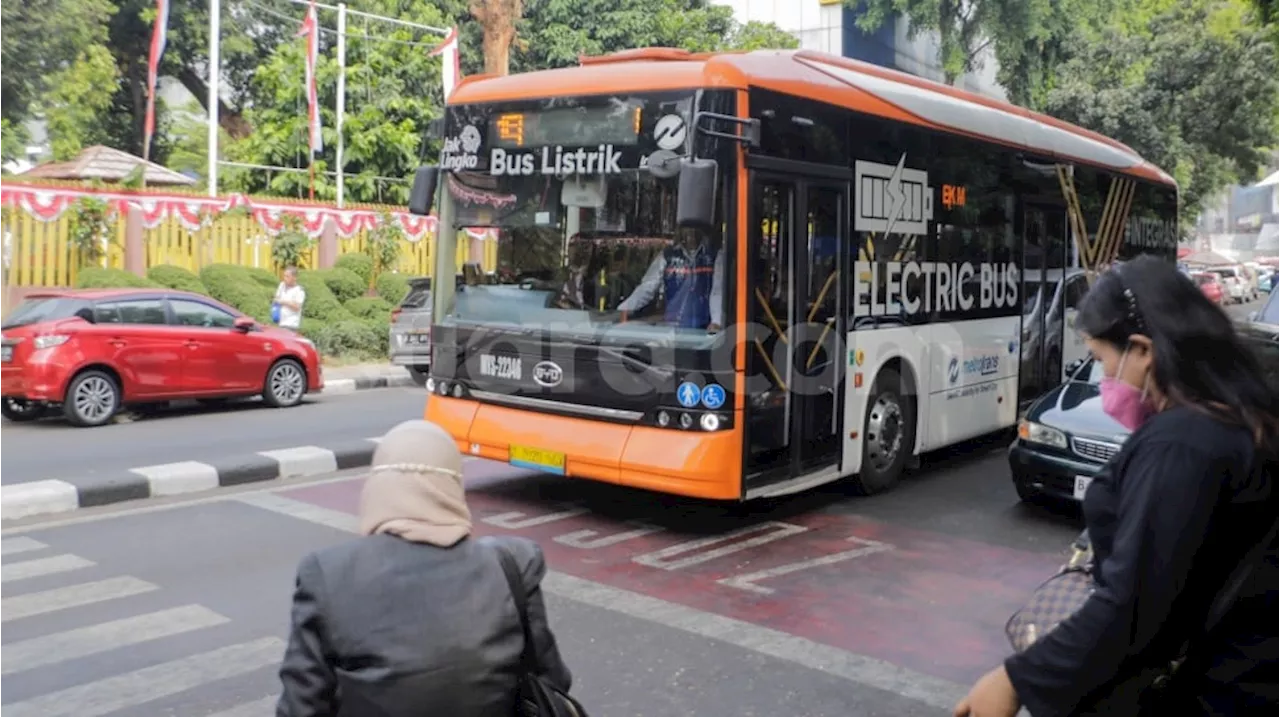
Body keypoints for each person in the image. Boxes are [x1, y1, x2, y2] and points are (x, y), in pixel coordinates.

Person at [955, 255, 1280, 717]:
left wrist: (1016, 679)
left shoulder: (1183, 442)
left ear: (1143, 351)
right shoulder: (1232, 422)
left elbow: (1133, 604)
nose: (1105, 378)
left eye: (1102, 359)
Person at [275, 419, 573, 716]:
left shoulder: (328, 574)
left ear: (378, 487)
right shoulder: (511, 567)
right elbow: (554, 680)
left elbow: (301, 707)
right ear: (451, 487)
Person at [617, 228, 724, 332]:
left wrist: (716, 322)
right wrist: (626, 308)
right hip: (673, 327)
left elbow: (717, 291)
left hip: (703, 328)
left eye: (694, 228)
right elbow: (648, 286)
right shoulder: (667, 255)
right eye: (687, 228)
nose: (691, 233)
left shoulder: (714, 255)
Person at [274, 267, 306, 331]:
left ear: (294, 278)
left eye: (287, 276)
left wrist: (283, 302)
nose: (284, 278)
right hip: (280, 323)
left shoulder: (299, 291)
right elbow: (276, 298)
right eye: (284, 276)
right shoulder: (282, 285)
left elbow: (297, 307)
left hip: (291, 325)